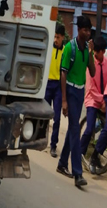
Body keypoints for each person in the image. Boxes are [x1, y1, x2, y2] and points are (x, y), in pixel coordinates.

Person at [56, 16, 96, 187]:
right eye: (85, 30)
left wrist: (91, 53)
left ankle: (62, 163)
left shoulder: (87, 49)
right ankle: (78, 173)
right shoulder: (69, 48)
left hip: (80, 91)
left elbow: (92, 72)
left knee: (73, 128)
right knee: (74, 129)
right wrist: (64, 100)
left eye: (89, 30)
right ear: (78, 30)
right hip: (70, 91)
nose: (88, 33)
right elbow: (63, 73)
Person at [80, 36, 107, 174]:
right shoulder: (91, 63)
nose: (95, 54)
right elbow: (90, 88)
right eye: (94, 51)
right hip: (92, 99)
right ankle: (80, 152)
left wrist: (104, 99)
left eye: (97, 52)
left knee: (104, 129)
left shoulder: (106, 63)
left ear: (103, 51)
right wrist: (101, 101)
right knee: (89, 128)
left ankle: (96, 154)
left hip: (104, 99)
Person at [45, 24, 65, 158]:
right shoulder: (49, 49)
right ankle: (40, 139)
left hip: (58, 86)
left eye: (58, 37)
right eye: (54, 37)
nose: (55, 39)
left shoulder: (65, 52)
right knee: (44, 116)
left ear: (62, 37)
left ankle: (53, 145)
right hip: (47, 84)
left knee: (56, 118)